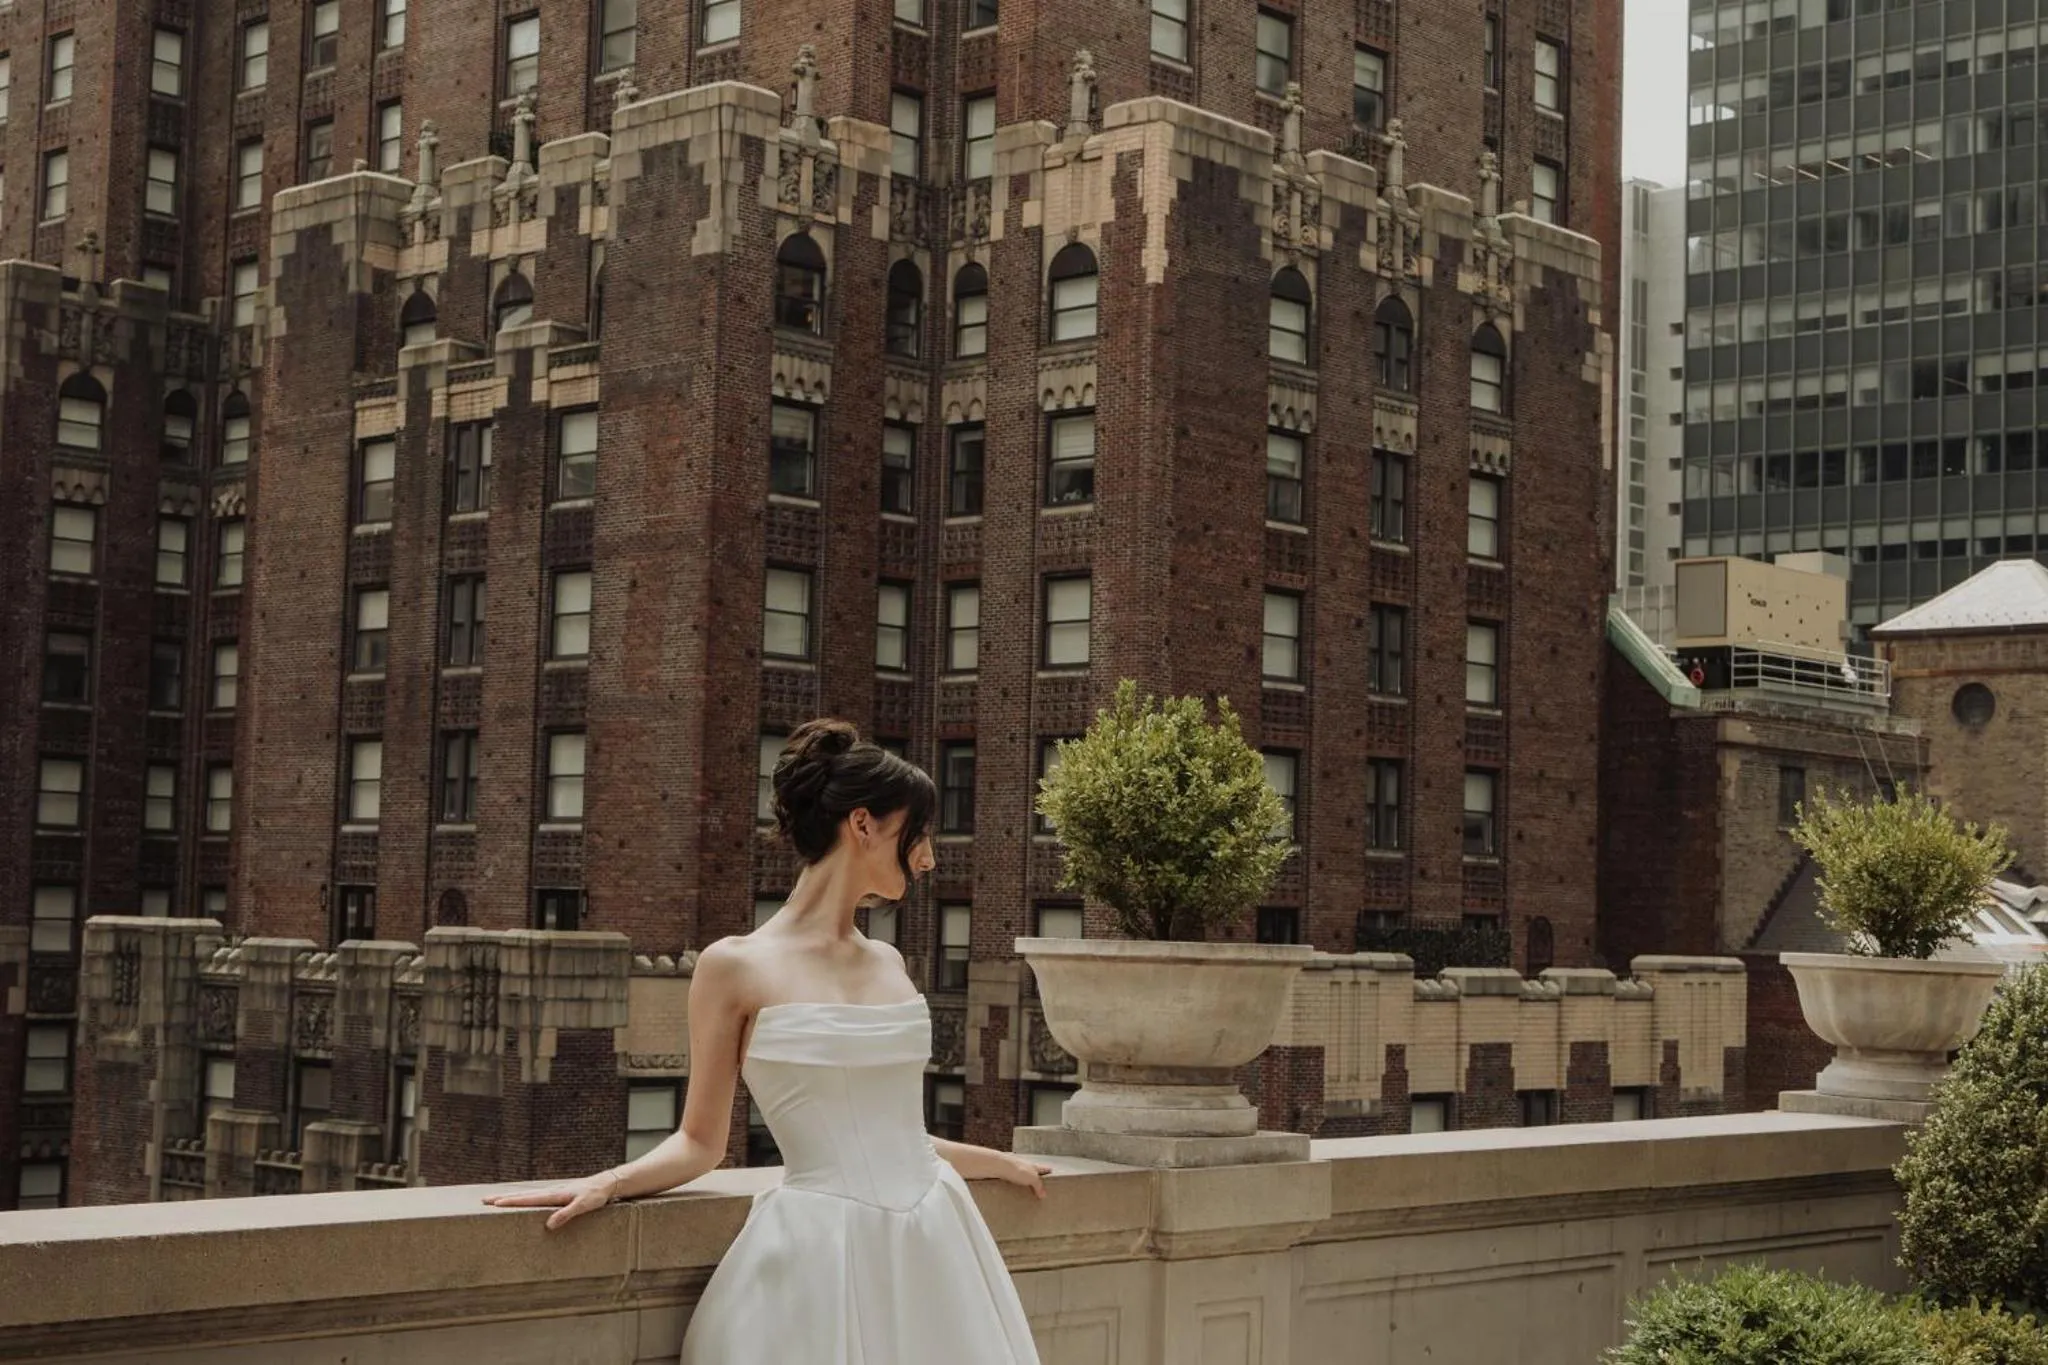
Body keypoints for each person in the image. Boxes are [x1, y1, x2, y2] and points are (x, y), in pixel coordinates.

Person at [483, 719, 1048, 1363]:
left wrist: (1000, 1162)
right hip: (820, 1254)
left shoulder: (890, 961)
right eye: (917, 835)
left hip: (937, 1245)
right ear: (862, 825)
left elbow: (897, 1133)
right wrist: (609, 1183)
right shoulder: (734, 966)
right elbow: (700, 1142)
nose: (929, 857)